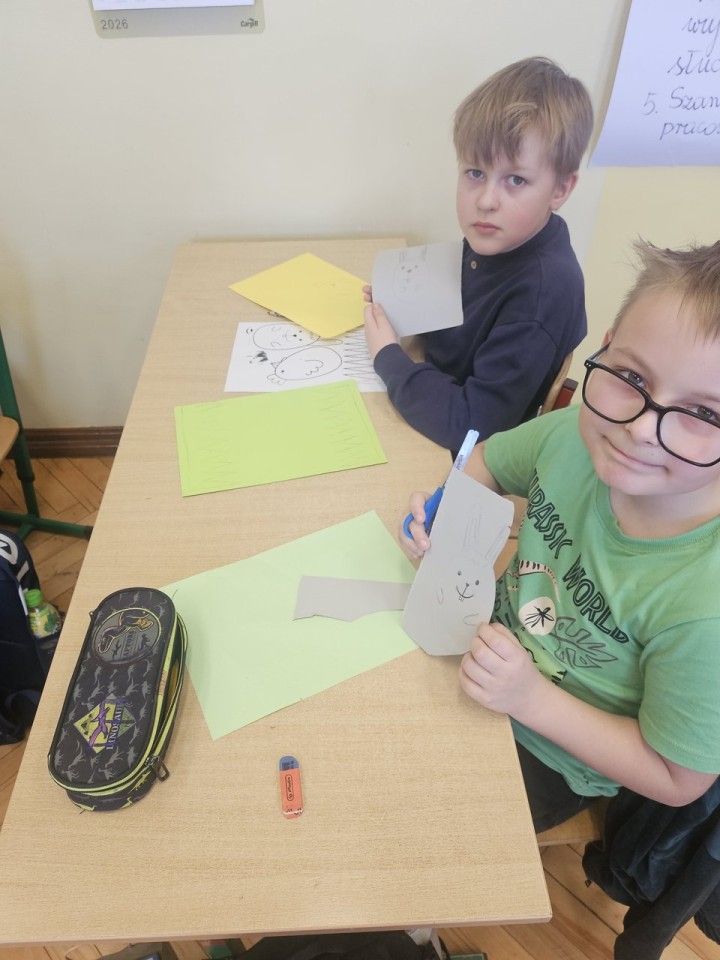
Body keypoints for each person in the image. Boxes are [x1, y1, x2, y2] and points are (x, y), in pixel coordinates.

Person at [402, 239, 720, 832]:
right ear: (605, 348)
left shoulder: (706, 609)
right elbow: (486, 462)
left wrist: (529, 699)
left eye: (703, 414)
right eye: (631, 376)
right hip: (470, 641)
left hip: (551, 751)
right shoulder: (576, 432)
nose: (640, 429)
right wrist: (449, 520)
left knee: (415, 827)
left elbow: (677, 778)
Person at [363, 57, 594, 455]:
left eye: (516, 179)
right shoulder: (504, 237)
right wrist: (403, 304)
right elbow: (469, 318)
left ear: (560, 189)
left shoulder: (540, 296)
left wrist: (387, 357)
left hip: (465, 458)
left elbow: (473, 427)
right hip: (439, 395)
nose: (486, 201)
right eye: (475, 173)